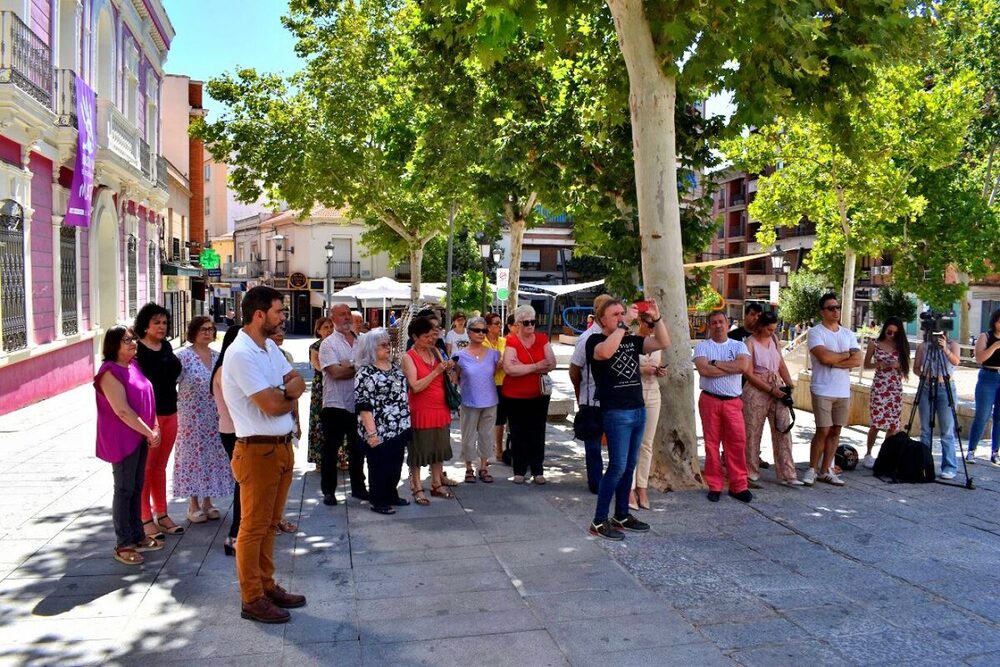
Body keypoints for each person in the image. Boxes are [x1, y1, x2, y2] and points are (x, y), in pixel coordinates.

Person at [222, 285, 307, 624]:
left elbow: (296, 381)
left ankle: (267, 585)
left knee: (270, 524)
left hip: (281, 447)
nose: (284, 316)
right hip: (255, 451)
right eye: (278, 312)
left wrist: (283, 391)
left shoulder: (268, 346)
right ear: (259, 315)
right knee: (253, 528)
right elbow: (272, 406)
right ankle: (252, 598)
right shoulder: (241, 353)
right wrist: (285, 394)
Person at [587, 298, 670, 539]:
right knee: (617, 467)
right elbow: (605, 353)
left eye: (623, 313)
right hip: (616, 412)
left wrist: (656, 317)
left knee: (629, 466)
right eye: (615, 314)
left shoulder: (632, 340)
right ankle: (599, 521)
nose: (621, 317)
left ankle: (621, 514)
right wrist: (624, 326)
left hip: (638, 409)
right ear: (602, 319)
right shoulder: (596, 340)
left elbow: (663, 342)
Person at [95, 326, 163, 565]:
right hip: (122, 439)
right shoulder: (109, 372)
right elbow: (122, 411)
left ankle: (138, 535)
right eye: (127, 340)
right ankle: (123, 544)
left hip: (141, 436)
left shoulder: (133, 365)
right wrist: (149, 431)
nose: (133, 343)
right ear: (114, 344)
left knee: (136, 486)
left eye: (133, 339)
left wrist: (153, 428)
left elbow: (148, 398)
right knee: (124, 489)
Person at [173, 316, 233, 524]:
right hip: (191, 418)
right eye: (203, 329)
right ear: (193, 332)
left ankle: (208, 501)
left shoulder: (219, 357)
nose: (207, 332)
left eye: (210, 329)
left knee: (212, 457)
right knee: (193, 458)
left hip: (215, 416)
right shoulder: (182, 357)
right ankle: (193, 504)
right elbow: (171, 384)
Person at [134, 303, 184, 540]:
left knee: (160, 467)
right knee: (146, 467)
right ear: (145, 325)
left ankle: (162, 513)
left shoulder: (165, 346)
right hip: (148, 417)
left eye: (164, 322)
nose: (162, 326)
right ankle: (145, 518)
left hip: (170, 412)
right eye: (157, 322)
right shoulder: (137, 352)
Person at [694, 311, 753, 503]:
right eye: (713, 323)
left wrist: (715, 364)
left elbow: (743, 367)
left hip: (733, 402)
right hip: (710, 400)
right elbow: (704, 370)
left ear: (728, 324)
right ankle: (715, 485)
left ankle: (739, 485)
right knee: (711, 445)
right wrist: (729, 366)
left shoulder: (739, 346)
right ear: (709, 326)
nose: (718, 325)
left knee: (736, 443)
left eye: (721, 322)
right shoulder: (702, 347)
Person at [805, 293, 863, 486]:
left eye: (837, 307)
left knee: (836, 430)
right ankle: (812, 469)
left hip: (842, 390)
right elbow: (824, 358)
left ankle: (826, 469)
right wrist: (845, 355)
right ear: (822, 311)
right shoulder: (816, 332)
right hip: (822, 388)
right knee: (823, 430)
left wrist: (835, 361)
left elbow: (857, 360)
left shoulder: (848, 334)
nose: (836, 311)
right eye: (831, 308)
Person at [354, 327, 411, 514]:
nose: (388, 348)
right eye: (383, 345)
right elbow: (364, 406)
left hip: (399, 426)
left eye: (389, 344)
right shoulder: (365, 373)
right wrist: (372, 433)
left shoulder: (394, 368)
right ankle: (378, 500)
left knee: (395, 464)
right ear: (371, 349)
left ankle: (391, 494)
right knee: (379, 466)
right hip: (378, 429)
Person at [402, 316, 457, 504]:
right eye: (426, 336)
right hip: (421, 409)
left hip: (440, 407)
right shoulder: (408, 357)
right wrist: (437, 371)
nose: (430, 339)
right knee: (418, 450)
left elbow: (448, 378)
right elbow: (415, 386)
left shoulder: (436, 351)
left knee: (438, 447)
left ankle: (436, 483)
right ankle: (416, 486)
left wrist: (449, 369)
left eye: (431, 335)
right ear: (415, 337)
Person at [741, 312, 801, 486]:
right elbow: (748, 373)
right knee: (752, 432)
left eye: (774, 328)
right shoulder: (750, 343)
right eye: (768, 328)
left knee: (783, 429)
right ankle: (751, 471)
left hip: (778, 385)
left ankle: (788, 473)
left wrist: (789, 384)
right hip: (756, 388)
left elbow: (781, 363)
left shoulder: (774, 339)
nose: (771, 331)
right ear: (760, 326)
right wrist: (770, 389)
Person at [502, 305, 557, 484]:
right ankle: (519, 470)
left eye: (533, 322)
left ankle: (537, 470)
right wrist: (535, 367)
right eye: (526, 323)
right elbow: (509, 369)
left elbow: (551, 363)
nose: (530, 326)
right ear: (518, 324)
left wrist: (523, 367)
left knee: (537, 431)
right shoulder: (511, 341)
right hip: (515, 395)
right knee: (518, 432)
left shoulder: (541, 339)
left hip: (538, 395)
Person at [319, 304, 367, 505]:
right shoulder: (328, 344)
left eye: (349, 314)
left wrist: (349, 365)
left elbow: (372, 364)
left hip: (359, 402)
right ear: (333, 318)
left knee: (358, 449)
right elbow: (335, 373)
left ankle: (358, 488)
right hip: (335, 403)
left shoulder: (363, 341)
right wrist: (359, 367)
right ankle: (329, 491)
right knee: (331, 449)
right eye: (342, 314)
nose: (347, 318)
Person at [570, 294, 614, 494]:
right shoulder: (586, 338)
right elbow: (574, 369)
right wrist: (580, 394)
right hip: (592, 401)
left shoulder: (617, 335)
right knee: (593, 445)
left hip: (613, 401)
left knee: (615, 445)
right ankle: (596, 483)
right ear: (600, 313)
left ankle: (613, 480)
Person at [455, 317, 501, 483]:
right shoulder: (459, 356)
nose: (481, 333)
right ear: (469, 333)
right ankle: (468, 467)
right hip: (469, 401)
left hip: (490, 400)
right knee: (468, 435)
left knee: (486, 435)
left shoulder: (494, 354)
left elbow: (494, 374)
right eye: (477, 330)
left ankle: (484, 466)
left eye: (484, 330)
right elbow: (455, 378)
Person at [914, 330, 962, 480]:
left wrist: (945, 349)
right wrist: (923, 375)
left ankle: (949, 467)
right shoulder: (923, 346)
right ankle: (924, 465)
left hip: (945, 387)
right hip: (926, 387)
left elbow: (956, 361)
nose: (936, 336)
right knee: (925, 430)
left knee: (947, 430)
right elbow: (916, 367)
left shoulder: (953, 345)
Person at [863, 317, 910, 468]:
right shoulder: (874, 344)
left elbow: (907, 370)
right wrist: (879, 364)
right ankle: (868, 453)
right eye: (889, 332)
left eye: (895, 333)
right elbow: (866, 364)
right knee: (876, 423)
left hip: (895, 388)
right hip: (879, 386)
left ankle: (885, 453)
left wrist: (899, 366)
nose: (891, 335)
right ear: (885, 330)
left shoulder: (901, 346)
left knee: (892, 425)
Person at [211, 326, 241, 557]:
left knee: (244, 484)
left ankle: (238, 532)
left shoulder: (228, 368)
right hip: (234, 432)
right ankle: (234, 534)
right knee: (243, 484)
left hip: (235, 430)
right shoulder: (224, 370)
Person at [631, 316, 666, 509]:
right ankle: (629, 488)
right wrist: (642, 369)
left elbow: (657, 365)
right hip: (634, 393)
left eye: (654, 325)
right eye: (648, 324)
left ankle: (642, 486)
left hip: (653, 393)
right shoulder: (630, 342)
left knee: (647, 444)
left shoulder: (657, 345)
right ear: (640, 323)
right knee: (631, 444)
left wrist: (659, 371)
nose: (651, 328)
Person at [966, 308, 1000, 465]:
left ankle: (995, 452)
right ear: (994, 321)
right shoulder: (985, 336)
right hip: (988, 377)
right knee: (982, 415)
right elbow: (979, 358)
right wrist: (994, 347)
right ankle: (971, 450)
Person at [308, 317, 334, 471]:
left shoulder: (337, 344)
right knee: (320, 423)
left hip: (337, 386)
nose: (329, 329)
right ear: (318, 330)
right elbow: (319, 366)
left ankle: (340, 457)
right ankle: (319, 459)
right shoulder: (315, 347)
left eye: (331, 326)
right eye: (325, 327)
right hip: (321, 388)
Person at [482, 312, 508, 462]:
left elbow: (505, 361)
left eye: (500, 323)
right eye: (496, 323)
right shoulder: (483, 342)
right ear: (488, 326)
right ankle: (486, 450)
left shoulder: (504, 341)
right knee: (486, 418)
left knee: (501, 419)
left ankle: (499, 448)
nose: (499, 326)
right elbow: (490, 364)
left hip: (504, 383)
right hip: (488, 384)